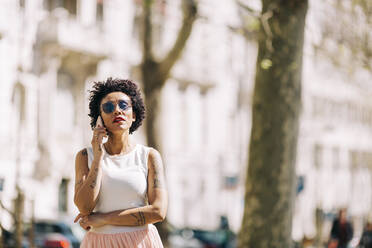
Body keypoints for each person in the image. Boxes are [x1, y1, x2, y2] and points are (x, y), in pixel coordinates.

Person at [73, 78, 168, 248]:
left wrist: (104, 218)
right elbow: (85, 207)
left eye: (124, 105)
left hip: (140, 242)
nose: (117, 111)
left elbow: (158, 211)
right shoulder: (84, 156)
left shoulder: (149, 156)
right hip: (99, 243)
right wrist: (98, 157)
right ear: (99, 119)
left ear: (134, 115)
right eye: (108, 107)